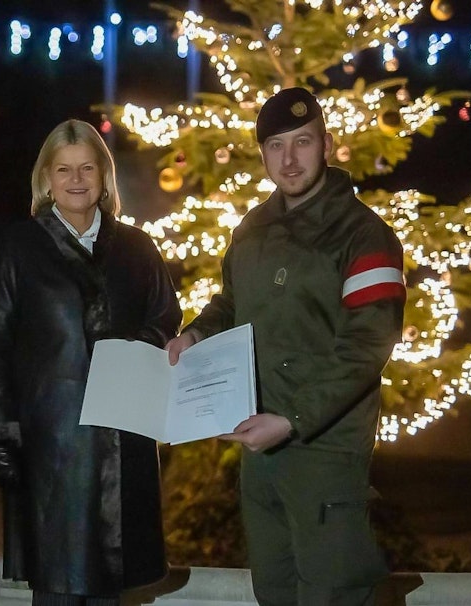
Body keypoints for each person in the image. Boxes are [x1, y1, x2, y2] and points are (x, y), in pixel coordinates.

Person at [165, 87, 406, 606]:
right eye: (276, 145)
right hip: (260, 449)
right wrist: (195, 334)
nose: (290, 159)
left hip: (325, 450)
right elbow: (231, 303)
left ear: (326, 143)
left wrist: (292, 418)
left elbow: (367, 347)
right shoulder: (252, 228)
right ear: (263, 154)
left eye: (303, 141)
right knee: (274, 592)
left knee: (333, 593)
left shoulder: (365, 236)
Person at [0, 119, 182, 606]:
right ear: (46, 177)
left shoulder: (137, 248)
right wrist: (0, 435)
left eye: (87, 167)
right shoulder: (19, 249)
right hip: (52, 447)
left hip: (121, 441)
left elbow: (165, 318)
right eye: (64, 168)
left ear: (104, 176)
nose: (76, 179)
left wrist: (131, 352)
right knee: (59, 585)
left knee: (112, 584)